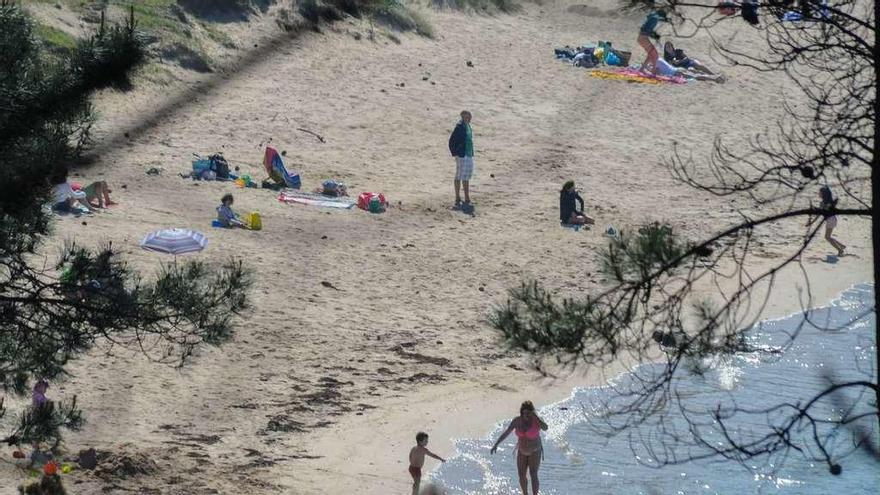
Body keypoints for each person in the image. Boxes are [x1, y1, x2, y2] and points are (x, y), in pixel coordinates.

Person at [490, 401, 548, 495]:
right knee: (521, 475)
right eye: (524, 413)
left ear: (532, 412)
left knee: (533, 474)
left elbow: (545, 428)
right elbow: (507, 432)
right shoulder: (517, 421)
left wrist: (536, 417)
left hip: (535, 450)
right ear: (521, 412)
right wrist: (496, 444)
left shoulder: (537, 420)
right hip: (522, 450)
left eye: (529, 413)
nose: (526, 415)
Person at [448, 110, 475, 208]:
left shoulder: (467, 126)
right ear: (463, 117)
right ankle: (458, 197)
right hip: (461, 155)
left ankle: (466, 197)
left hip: (468, 154)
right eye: (467, 117)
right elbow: (451, 141)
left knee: (466, 175)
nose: (469, 118)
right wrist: (455, 153)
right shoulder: (459, 127)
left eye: (470, 117)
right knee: (460, 175)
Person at [637, 9, 667, 74]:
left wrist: (654, 35)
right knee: (655, 55)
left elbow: (646, 28)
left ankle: (642, 69)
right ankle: (653, 70)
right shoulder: (654, 19)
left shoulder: (653, 16)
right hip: (643, 38)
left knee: (651, 54)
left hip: (641, 38)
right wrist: (654, 35)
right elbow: (646, 30)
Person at [818, 185, 846, 256]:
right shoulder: (826, 202)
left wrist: (821, 207)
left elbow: (824, 210)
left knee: (827, 237)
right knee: (828, 236)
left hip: (831, 220)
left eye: (820, 193)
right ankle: (841, 245)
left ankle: (840, 250)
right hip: (832, 219)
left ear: (823, 194)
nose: (818, 194)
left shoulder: (825, 203)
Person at [655, 57, 726, 82]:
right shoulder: (659, 59)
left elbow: (657, 74)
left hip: (676, 73)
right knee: (696, 74)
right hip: (678, 69)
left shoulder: (655, 63)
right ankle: (713, 77)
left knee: (695, 77)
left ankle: (715, 79)